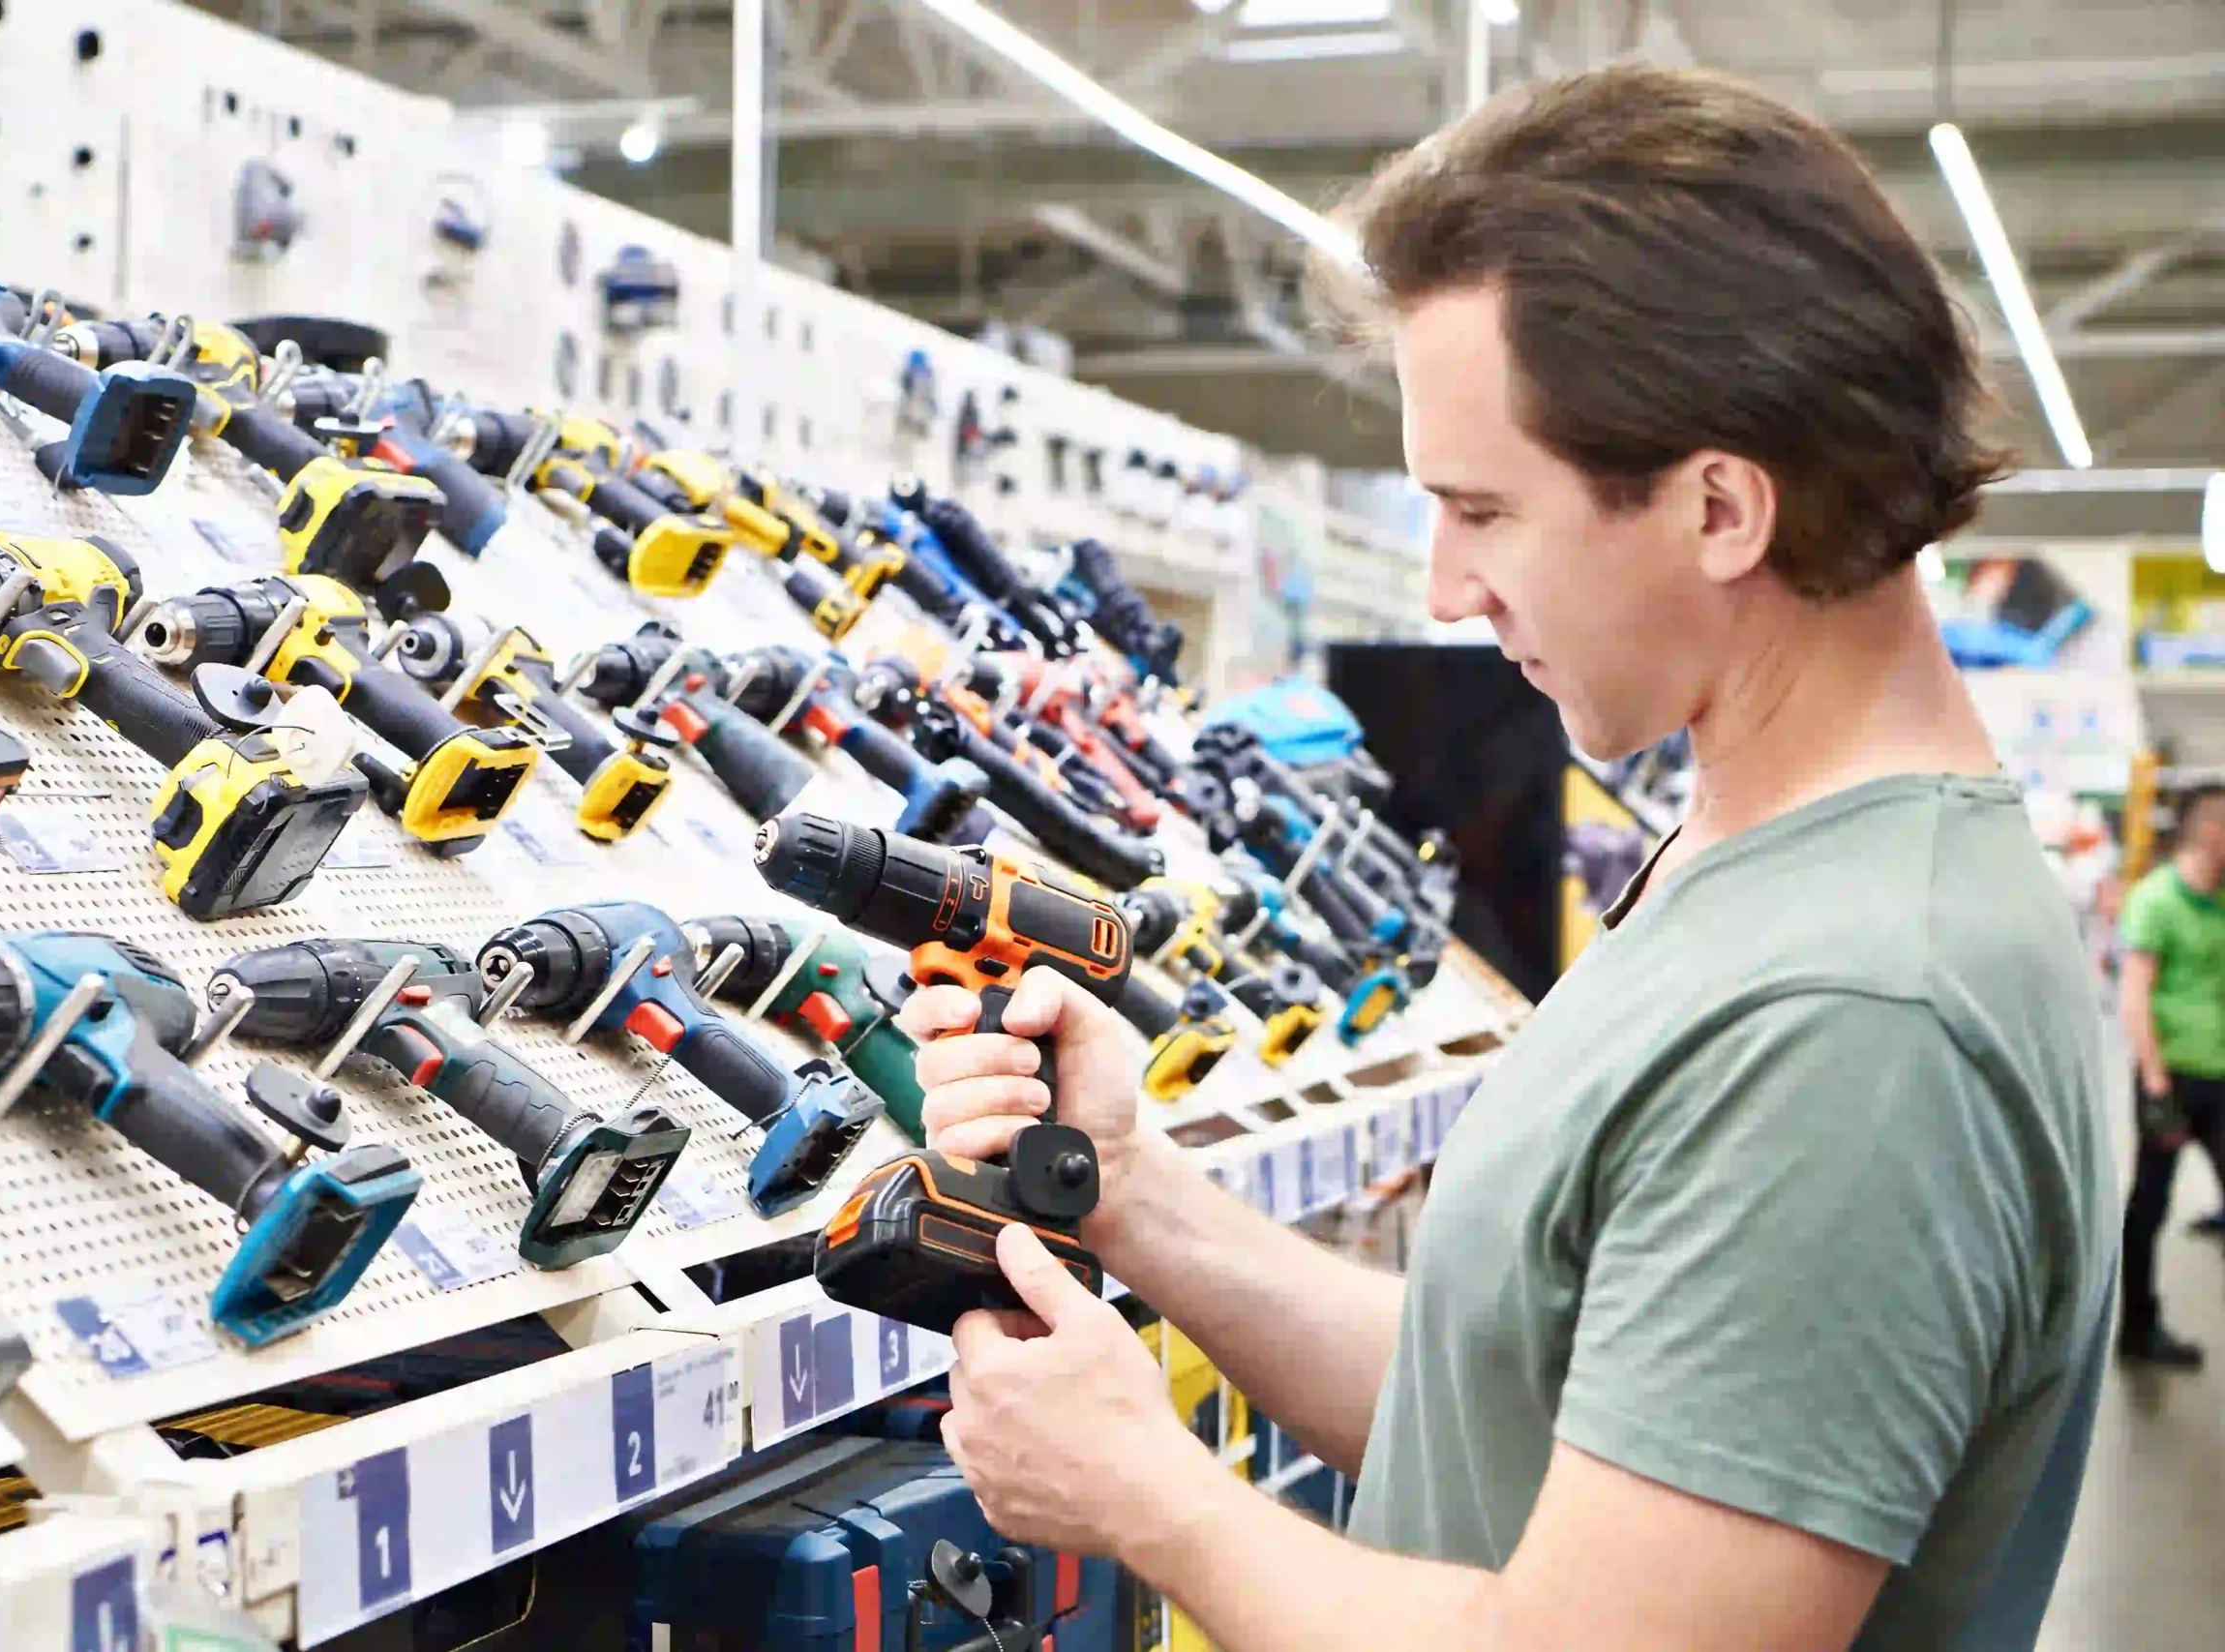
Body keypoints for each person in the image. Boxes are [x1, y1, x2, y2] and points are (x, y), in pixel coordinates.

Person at [898, 66, 2115, 1652]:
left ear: (1721, 507)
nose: (1447, 583)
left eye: (1482, 509)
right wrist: (1142, 1201)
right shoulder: (1751, 866)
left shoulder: (1856, 1014)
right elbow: (1528, 1401)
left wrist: (1147, 1492)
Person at [2115, 785, 2225, 1367]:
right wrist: (2156, 1085)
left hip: (2221, 1077)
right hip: (2171, 1078)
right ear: (2208, 830)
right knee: (2151, 1204)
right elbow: (2134, 995)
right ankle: (2137, 1328)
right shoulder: (2157, 900)